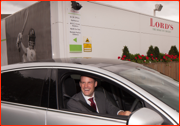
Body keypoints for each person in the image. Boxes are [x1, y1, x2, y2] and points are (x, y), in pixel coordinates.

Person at [67, 76, 131, 116]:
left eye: (89, 82)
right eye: (83, 82)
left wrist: (122, 113)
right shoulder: (73, 103)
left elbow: (112, 109)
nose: (86, 86)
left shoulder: (101, 95)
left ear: (95, 84)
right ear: (80, 84)